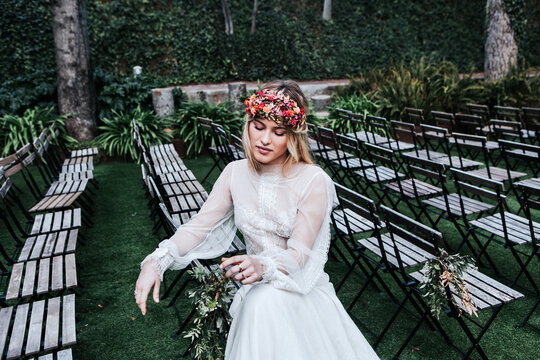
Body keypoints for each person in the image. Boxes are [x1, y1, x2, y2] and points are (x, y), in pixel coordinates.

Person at [135, 80, 379, 359]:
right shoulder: (234, 173)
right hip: (257, 295)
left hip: (297, 291)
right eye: (258, 126)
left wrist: (263, 265)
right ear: (248, 125)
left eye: (278, 132)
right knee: (260, 303)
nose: (264, 139)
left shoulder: (314, 181)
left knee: (263, 302)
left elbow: (299, 255)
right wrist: (158, 260)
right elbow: (199, 227)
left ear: (294, 136)